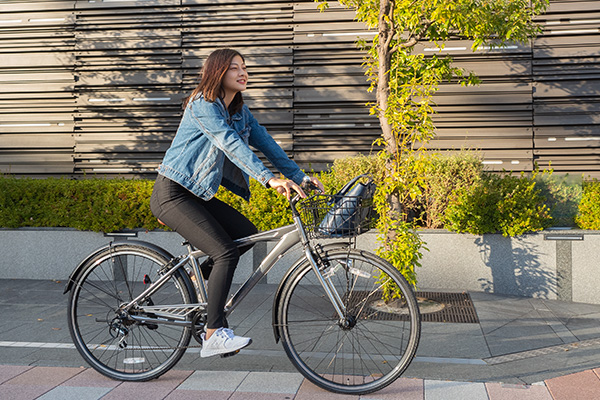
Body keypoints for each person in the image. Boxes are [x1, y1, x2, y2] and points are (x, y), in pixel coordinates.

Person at [150, 48, 323, 358]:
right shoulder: (203, 105)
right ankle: (214, 333)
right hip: (172, 193)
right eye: (235, 68)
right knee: (225, 251)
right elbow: (229, 144)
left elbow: (267, 143)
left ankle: (196, 276)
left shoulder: (240, 111)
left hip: (197, 195)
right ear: (217, 72)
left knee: (245, 236)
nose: (243, 73)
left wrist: (299, 177)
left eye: (244, 67)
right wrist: (269, 179)